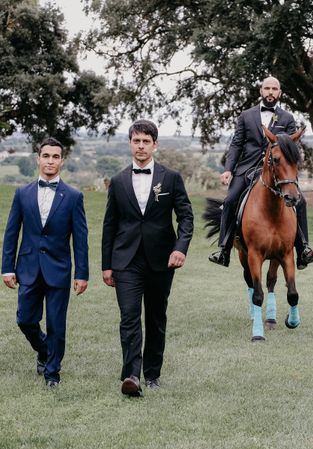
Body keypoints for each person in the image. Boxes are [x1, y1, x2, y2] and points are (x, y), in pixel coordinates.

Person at [102, 119, 194, 397]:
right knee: (129, 316)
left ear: (154, 145)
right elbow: (110, 225)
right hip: (126, 261)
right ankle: (132, 375)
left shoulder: (171, 178)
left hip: (161, 260)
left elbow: (186, 217)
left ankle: (152, 373)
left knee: (155, 317)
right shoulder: (117, 182)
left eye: (146, 141)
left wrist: (180, 248)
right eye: (136, 141)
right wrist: (106, 265)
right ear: (130, 143)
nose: (140, 146)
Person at [2, 137, 89, 388]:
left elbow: (80, 240)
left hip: (59, 270)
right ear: (38, 158)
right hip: (27, 268)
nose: (50, 161)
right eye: (46, 156)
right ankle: (43, 350)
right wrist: (7, 267)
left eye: (55, 157)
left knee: (56, 324)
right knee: (25, 320)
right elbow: (11, 233)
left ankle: (52, 373)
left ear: (62, 161)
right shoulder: (22, 193)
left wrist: (81, 273)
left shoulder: (73, 197)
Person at [208, 76, 313, 269]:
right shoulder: (246, 116)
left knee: (300, 202)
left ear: (280, 93)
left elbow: (290, 148)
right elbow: (236, 144)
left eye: (274, 89)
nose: (270, 92)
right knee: (230, 200)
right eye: (267, 88)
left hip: (278, 170)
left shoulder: (287, 118)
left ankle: (303, 250)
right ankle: (223, 249)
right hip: (247, 169)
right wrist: (228, 170)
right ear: (261, 91)